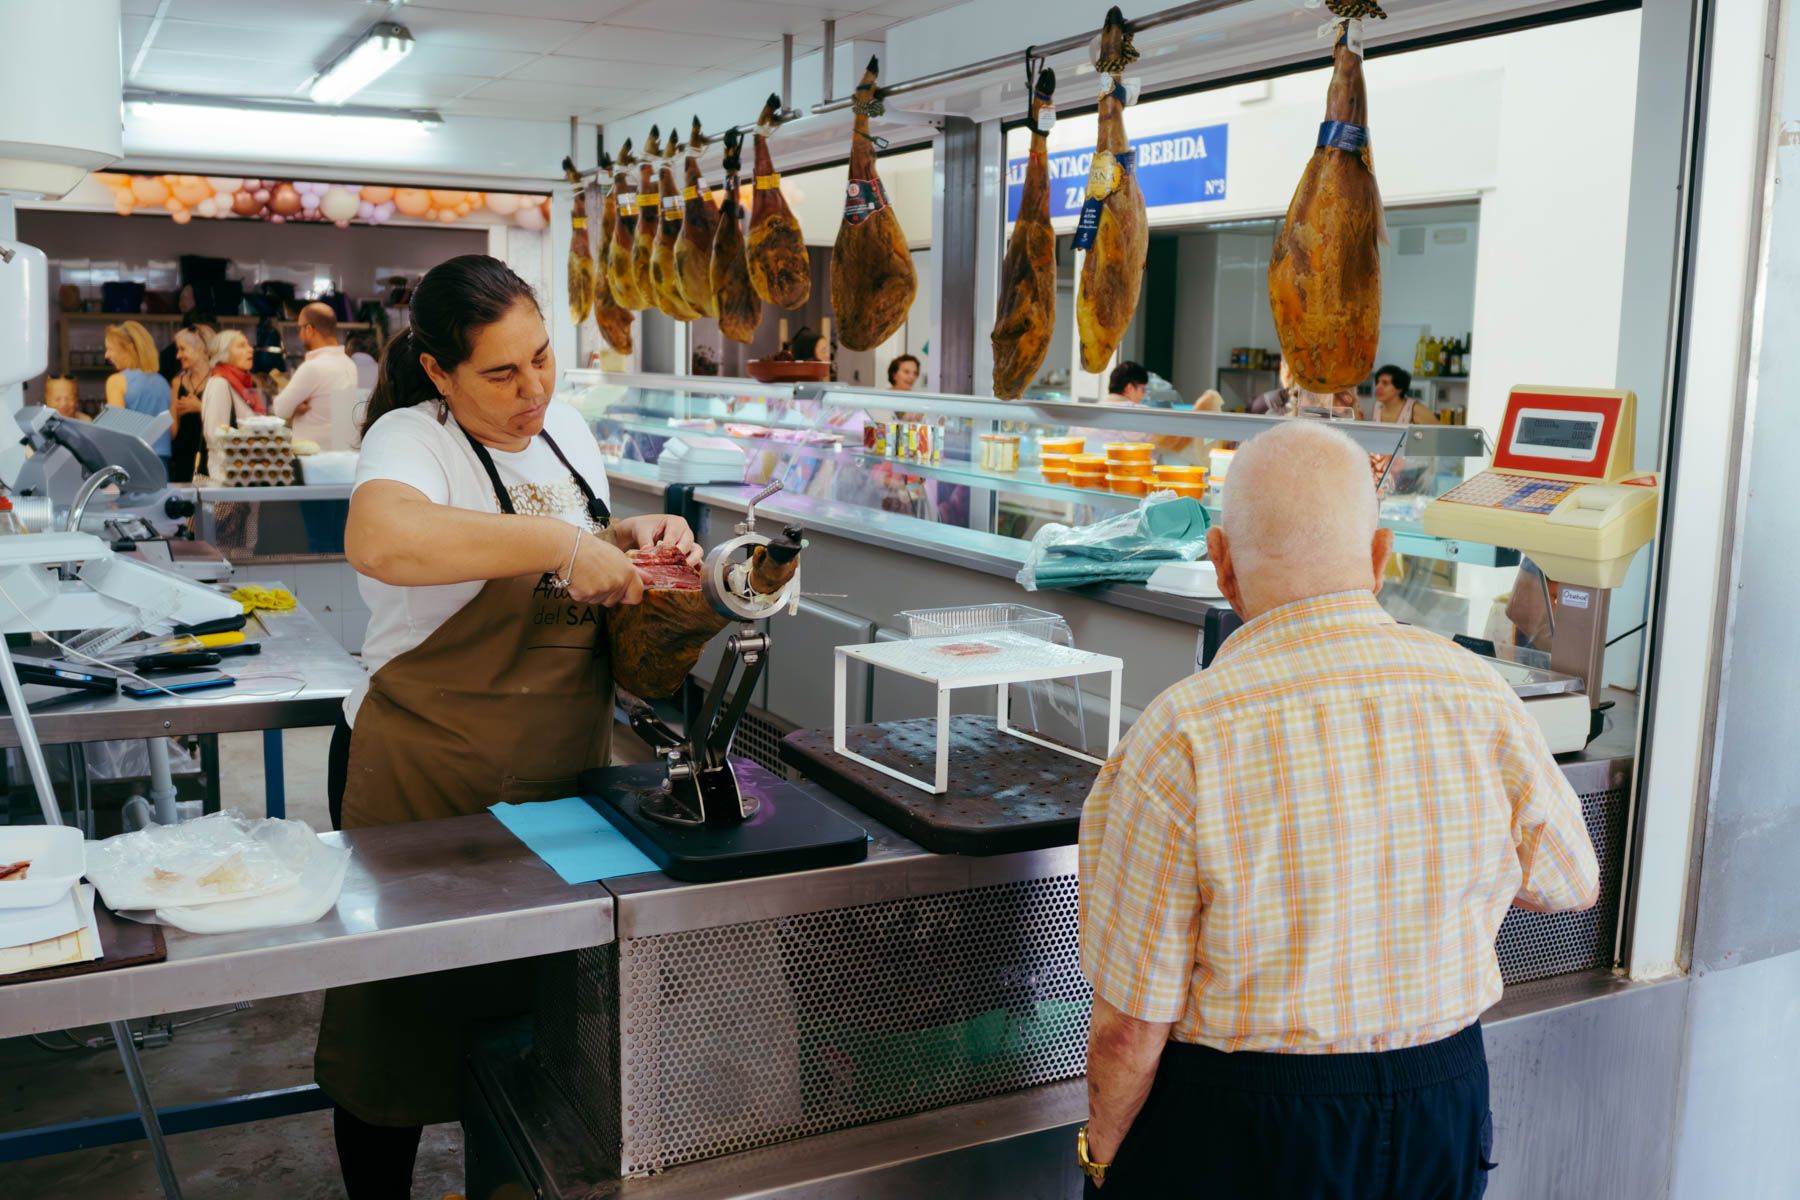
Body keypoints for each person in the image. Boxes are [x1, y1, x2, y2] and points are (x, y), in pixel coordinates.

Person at [1075, 420, 1598, 1199]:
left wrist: (1102, 1159)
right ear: (1381, 557)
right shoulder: (1476, 693)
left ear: (1221, 563)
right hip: (1441, 1103)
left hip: (1248, 1125)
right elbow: (1570, 881)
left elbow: (1131, 1024)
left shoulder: (1182, 735)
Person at [313, 254, 699, 1200]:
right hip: (426, 778)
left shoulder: (565, 431)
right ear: (439, 372)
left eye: (542, 358)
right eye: (500, 373)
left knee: (542, 1022)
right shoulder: (413, 437)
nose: (533, 392)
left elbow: (575, 546)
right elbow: (382, 538)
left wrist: (625, 539)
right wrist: (560, 544)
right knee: (400, 1030)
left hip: (559, 777)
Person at [272, 302, 359, 449]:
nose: (299, 334)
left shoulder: (313, 367)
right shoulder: (349, 364)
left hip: (314, 456)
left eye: (299, 328)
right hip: (342, 451)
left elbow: (280, 409)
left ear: (309, 330)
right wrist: (295, 405)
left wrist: (294, 406)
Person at [104, 321, 172, 468]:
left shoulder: (116, 381)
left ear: (129, 349)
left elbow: (116, 430)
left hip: (132, 461)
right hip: (161, 463)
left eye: (111, 349)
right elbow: (172, 431)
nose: (107, 355)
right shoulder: (164, 383)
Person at [199, 330, 266, 479]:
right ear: (224, 354)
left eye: (248, 345)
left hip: (246, 475)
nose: (250, 349)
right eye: (241, 346)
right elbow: (215, 436)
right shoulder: (219, 384)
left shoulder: (243, 386)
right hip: (227, 477)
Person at [167, 324, 215, 483]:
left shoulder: (218, 381)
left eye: (182, 349)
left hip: (212, 460)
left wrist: (200, 407)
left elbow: (229, 424)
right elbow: (173, 431)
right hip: (182, 461)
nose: (178, 356)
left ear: (201, 349)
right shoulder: (177, 382)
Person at [1368, 363, 1432, 425]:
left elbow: (1437, 431)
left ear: (1399, 388)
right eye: (1377, 382)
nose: (1378, 387)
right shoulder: (1377, 406)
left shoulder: (1416, 410)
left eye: (1385, 383)